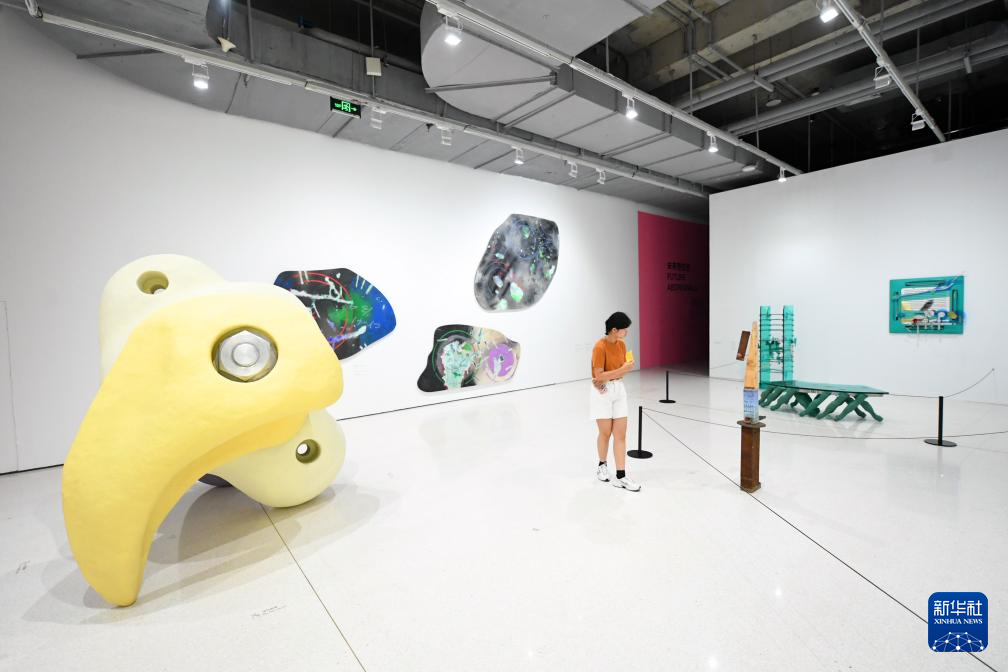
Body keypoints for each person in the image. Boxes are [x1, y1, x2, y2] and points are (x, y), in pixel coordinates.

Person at [590, 311, 640, 491]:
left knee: (621, 434)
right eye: (624, 329)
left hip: (619, 389)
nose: (626, 332)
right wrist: (623, 369)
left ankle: (621, 475)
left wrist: (625, 369)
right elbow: (599, 376)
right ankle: (602, 465)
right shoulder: (599, 347)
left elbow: (619, 372)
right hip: (602, 391)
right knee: (605, 433)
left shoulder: (622, 345)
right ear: (614, 330)